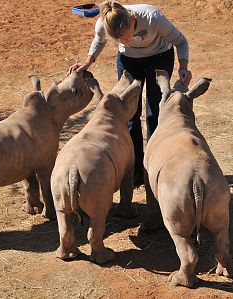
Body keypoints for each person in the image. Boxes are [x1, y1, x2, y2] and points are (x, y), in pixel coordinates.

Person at [68, 1, 192, 187]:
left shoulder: (152, 18)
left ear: (133, 20)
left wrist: (183, 67)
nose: (124, 41)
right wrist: (88, 61)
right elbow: (99, 40)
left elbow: (181, 41)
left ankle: (153, 166)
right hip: (129, 61)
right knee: (129, 113)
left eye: (126, 36)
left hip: (159, 57)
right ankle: (135, 169)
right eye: (119, 40)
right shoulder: (104, 22)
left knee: (154, 112)